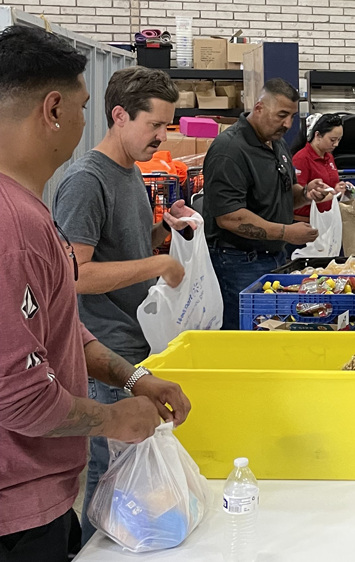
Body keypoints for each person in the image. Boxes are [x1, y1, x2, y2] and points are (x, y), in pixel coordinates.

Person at [0, 26, 190, 562]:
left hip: (42, 495)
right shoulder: (13, 225)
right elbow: (15, 393)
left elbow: (61, 323)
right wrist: (111, 418)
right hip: (18, 512)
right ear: (54, 109)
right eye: (85, 105)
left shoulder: (29, 210)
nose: (86, 120)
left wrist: (132, 375)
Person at [51, 65, 198, 544]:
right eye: (154, 125)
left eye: (167, 125)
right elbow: (75, 275)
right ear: (119, 115)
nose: (162, 136)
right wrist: (156, 267)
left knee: (132, 474)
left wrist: (165, 231)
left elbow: (123, 248)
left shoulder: (131, 173)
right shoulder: (85, 181)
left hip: (137, 344)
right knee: (111, 476)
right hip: (104, 356)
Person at [202, 78, 328, 329]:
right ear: (259, 108)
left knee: (274, 330)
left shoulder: (276, 143)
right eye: (281, 115)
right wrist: (286, 232)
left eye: (292, 116)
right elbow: (229, 217)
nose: (288, 124)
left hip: (274, 257)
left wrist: (306, 193)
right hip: (238, 262)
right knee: (246, 334)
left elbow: (283, 194)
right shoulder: (229, 150)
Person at [290, 113, 355, 224]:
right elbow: (298, 199)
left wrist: (340, 188)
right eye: (332, 140)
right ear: (318, 135)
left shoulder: (329, 157)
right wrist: (333, 193)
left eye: (339, 140)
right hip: (306, 222)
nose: (336, 144)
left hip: (326, 220)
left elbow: (331, 186)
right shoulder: (301, 158)